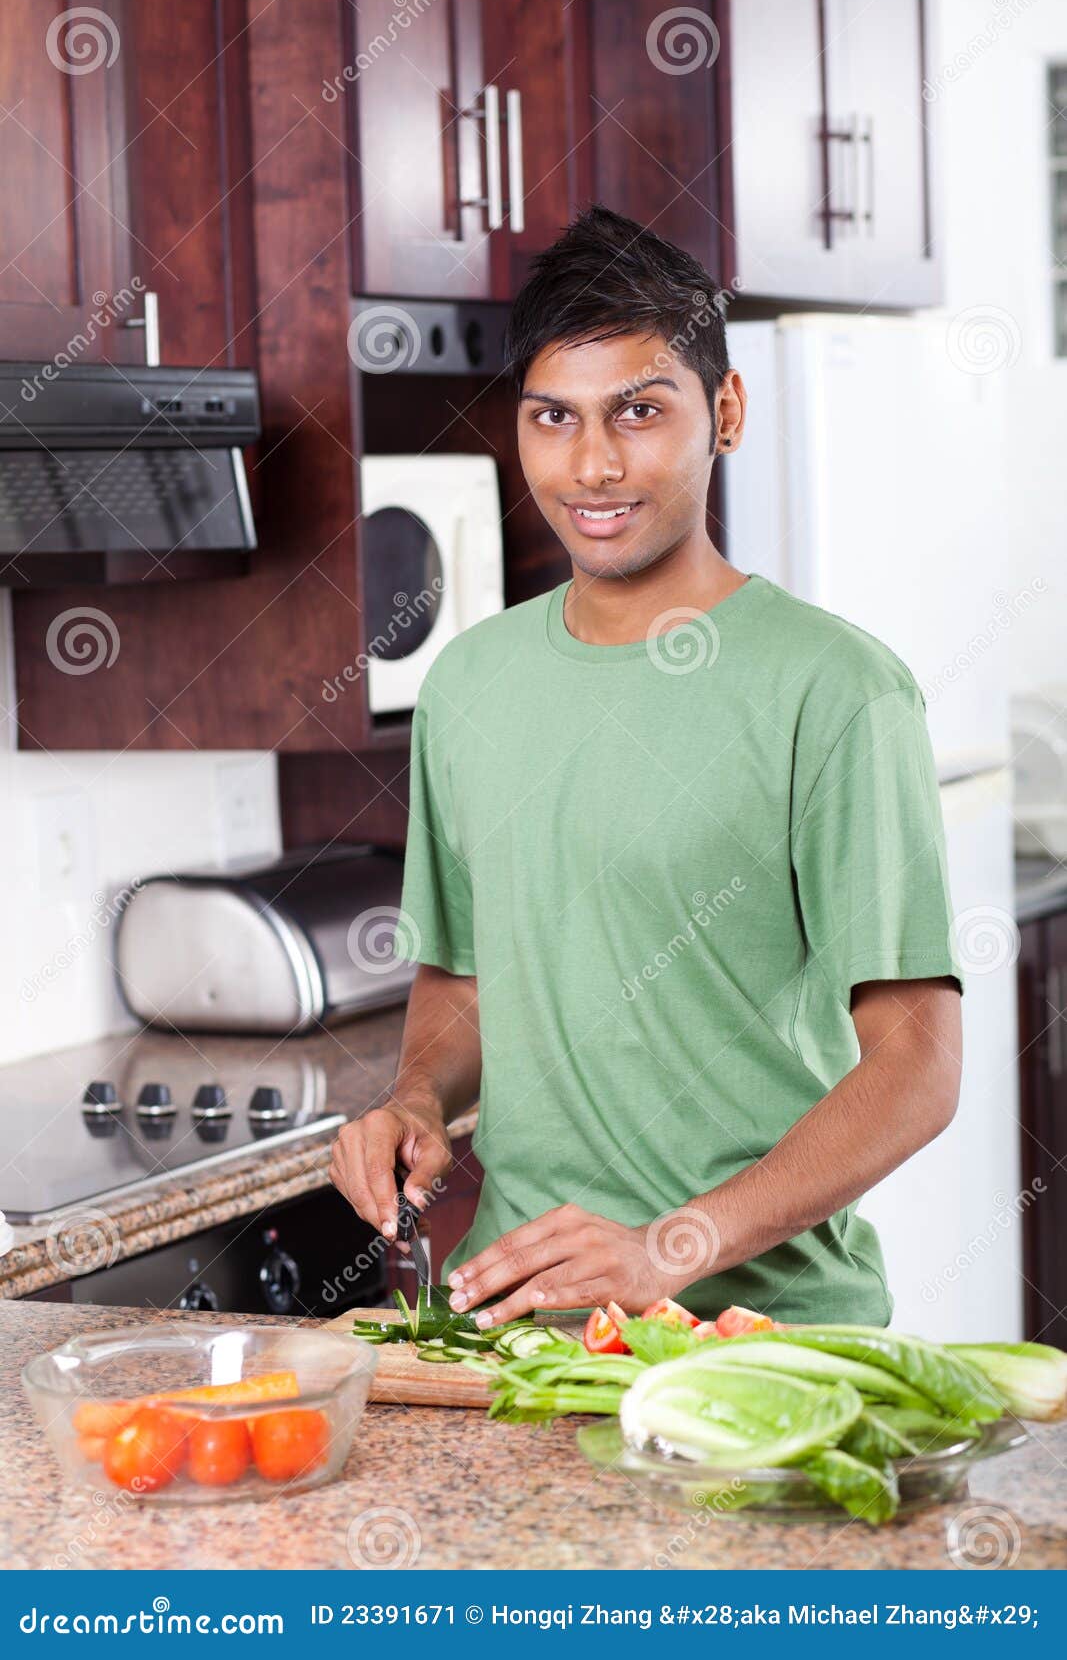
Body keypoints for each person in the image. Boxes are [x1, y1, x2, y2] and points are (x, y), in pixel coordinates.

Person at [330, 205, 963, 1330]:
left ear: (722, 412)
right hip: (521, 1332)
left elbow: (914, 1065)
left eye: (638, 410)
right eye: (552, 419)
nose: (593, 464)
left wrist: (668, 1248)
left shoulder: (837, 690)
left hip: (760, 1336)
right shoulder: (468, 687)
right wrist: (416, 1095)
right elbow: (466, 977)